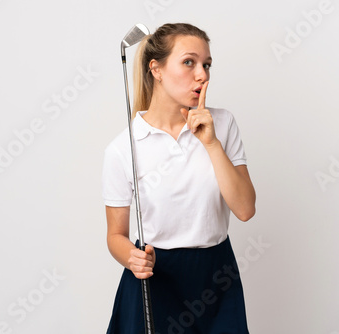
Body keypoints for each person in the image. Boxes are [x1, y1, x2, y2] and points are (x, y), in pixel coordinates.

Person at [102, 22, 256, 333]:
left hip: (217, 274)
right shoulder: (123, 149)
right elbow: (115, 236)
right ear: (155, 69)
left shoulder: (222, 124)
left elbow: (244, 209)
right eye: (189, 62)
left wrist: (210, 143)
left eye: (206, 64)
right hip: (157, 277)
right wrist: (132, 258)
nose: (203, 74)